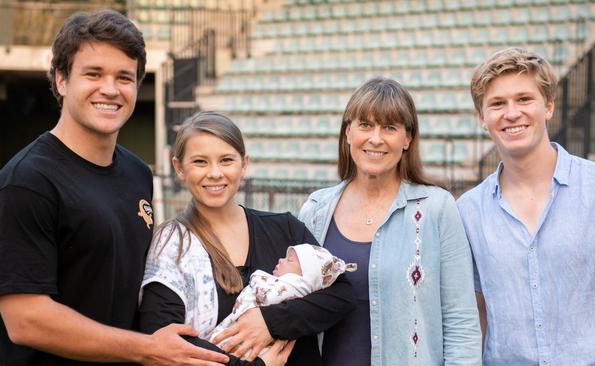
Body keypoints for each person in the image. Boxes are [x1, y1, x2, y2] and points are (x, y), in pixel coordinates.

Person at [0, 9, 229, 366]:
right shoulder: (28, 182)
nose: (110, 89)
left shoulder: (138, 173)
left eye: (124, 77)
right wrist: (146, 348)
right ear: (61, 80)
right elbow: (26, 320)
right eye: (93, 74)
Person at [457, 47, 595, 365]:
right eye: (497, 104)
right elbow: (474, 316)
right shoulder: (467, 212)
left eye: (524, 99)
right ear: (482, 118)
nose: (511, 113)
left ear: (548, 106)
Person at [139, 111, 356, 366]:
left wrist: (269, 322)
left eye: (226, 160)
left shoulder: (285, 229)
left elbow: (341, 296)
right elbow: (165, 340)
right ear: (179, 168)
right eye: (200, 162)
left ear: (244, 164)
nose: (215, 173)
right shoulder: (171, 247)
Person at [298, 77, 482, 366]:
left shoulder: (437, 209)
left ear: (407, 139)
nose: (376, 138)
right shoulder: (315, 210)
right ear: (348, 132)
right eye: (365, 125)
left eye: (390, 127)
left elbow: (461, 322)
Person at [208, 244, 356, 349]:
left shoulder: (292, 287)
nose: (280, 260)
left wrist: (257, 276)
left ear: (305, 276)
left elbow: (268, 296)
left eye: (289, 260)